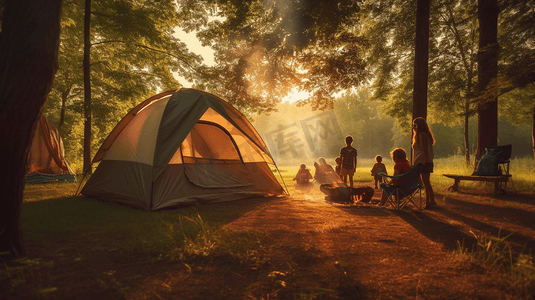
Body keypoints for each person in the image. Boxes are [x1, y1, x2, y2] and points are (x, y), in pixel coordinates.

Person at [412, 117, 437, 209]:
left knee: (426, 183)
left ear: (419, 125)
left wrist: (423, 161)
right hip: (425, 161)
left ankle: (430, 201)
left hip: (424, 161)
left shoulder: (422, 135)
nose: (414, 127)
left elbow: (424, 149)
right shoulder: (424, 134)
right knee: (426, 183)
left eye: (415, 125)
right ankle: (429, 201)